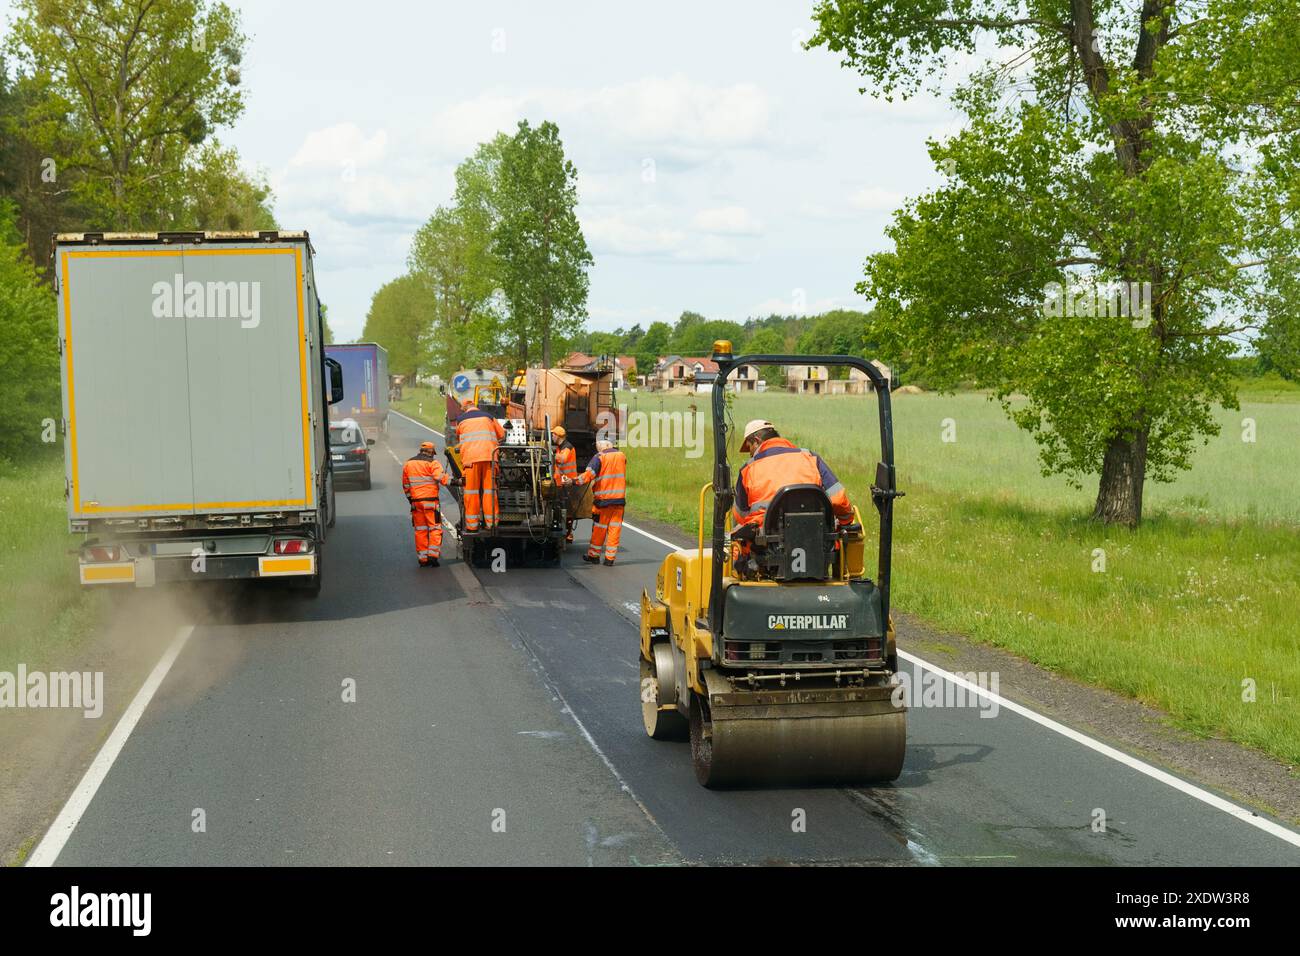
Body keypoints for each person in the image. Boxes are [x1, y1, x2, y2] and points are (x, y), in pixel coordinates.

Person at [733, 419, 853, 533]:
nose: (750, 453)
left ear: (757, 440)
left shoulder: (748, 469)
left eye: (749, 447)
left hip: (764, 547)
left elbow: (740, 516)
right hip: (816, 537)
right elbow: (838, 499)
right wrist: (845, 522)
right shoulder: (810, 457)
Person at [563, 438, 626, 566]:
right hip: (619, 500)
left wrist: (572, 481)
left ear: (603, 446)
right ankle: (609, 559)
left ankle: (594, 555)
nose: (597, 449)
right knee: (615, 529)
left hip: (603, 501)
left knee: (600, 528)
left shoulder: (599, 457)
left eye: (598, 446)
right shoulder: (621, 456)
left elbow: (588, 476)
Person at [454, 399, 506, 533]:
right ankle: (491, 524)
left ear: (465, 408)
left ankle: (472, 526)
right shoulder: (488, 417)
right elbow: (502, 434)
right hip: (490, 457)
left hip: (471, 460)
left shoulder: (460, 420)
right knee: (489, 491)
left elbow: (459, 437)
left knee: (472, 492)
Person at [402, 441, 451, 567]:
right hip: (430, 502)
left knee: (420, 530)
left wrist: (411, 500)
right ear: (431, 452)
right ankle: (433, 556)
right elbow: (441, 478)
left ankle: (423, 559)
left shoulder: (408, 463)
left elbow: (406, 485)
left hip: (416, 503)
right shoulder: (432, 463)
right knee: (435, 528)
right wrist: (457, 481)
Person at [551, 425, 578, 543]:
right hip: (561, 482)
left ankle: (568, 534)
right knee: (561, 507)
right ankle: (565, 533)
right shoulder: (559, 447)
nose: (552, 436)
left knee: (567, 510)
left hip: (568, 483)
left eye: (553, 434)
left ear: (558, 436)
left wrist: (550, 453)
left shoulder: (567, 447)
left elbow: (562, 459)